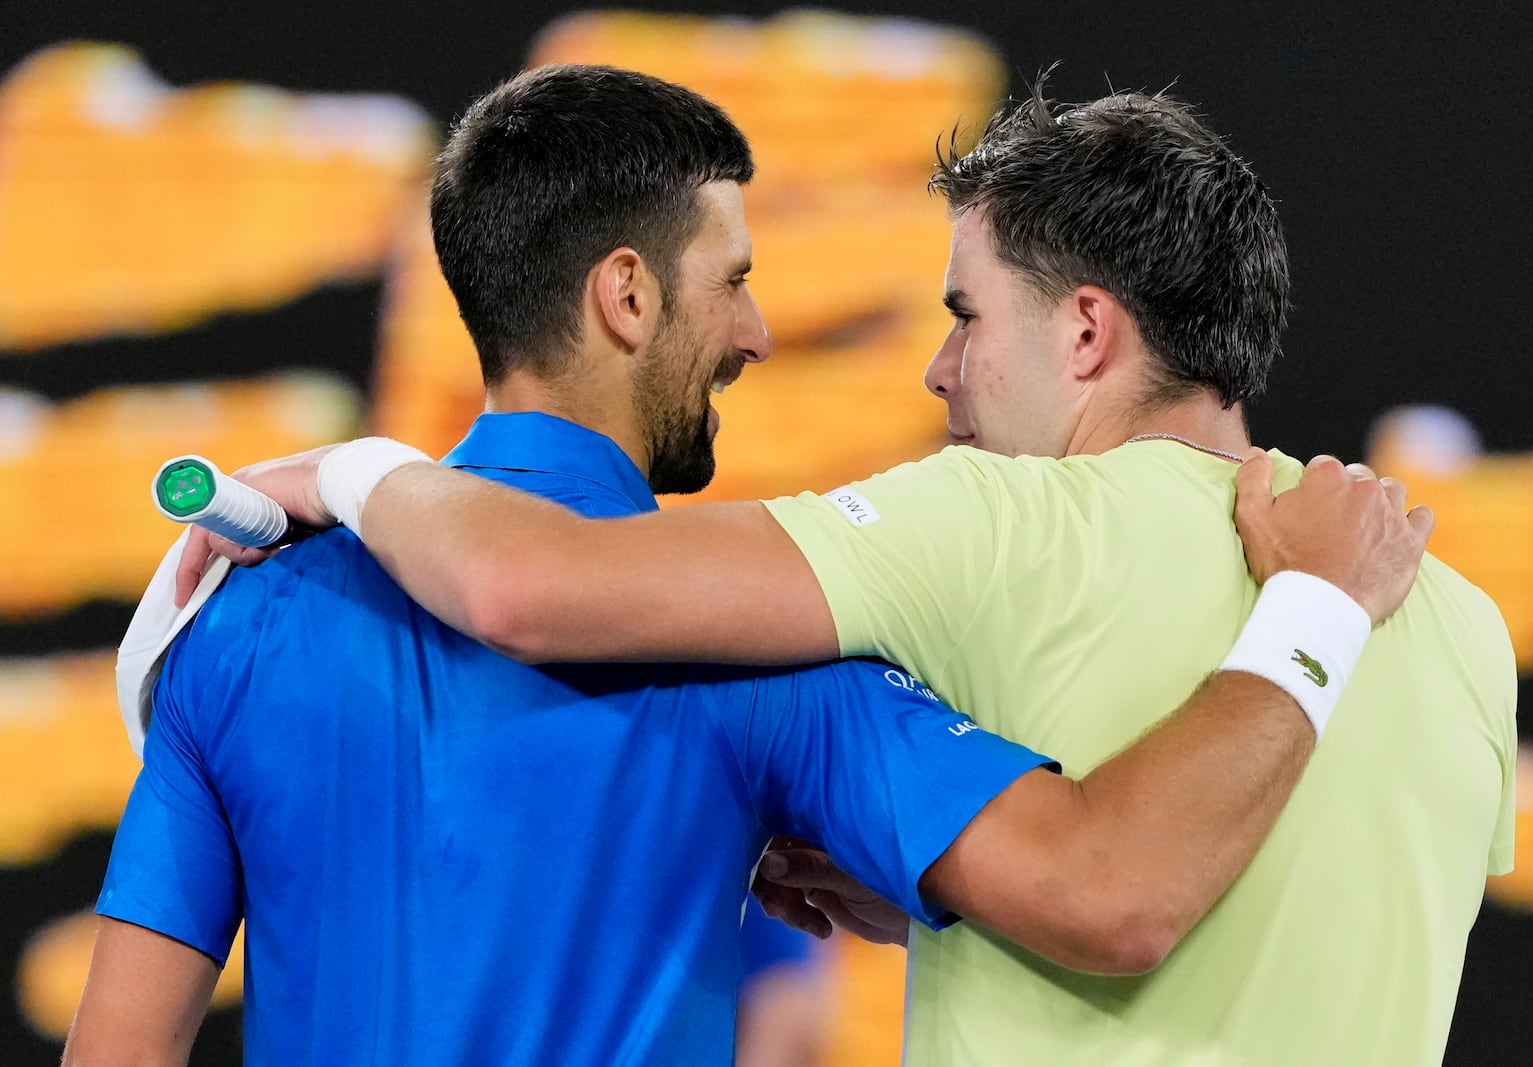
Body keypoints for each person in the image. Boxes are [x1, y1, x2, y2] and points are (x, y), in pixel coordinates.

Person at [68, 67, 1420, 1067]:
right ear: (626, 298)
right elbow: (1110, 890)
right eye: (734, 279)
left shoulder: (242, 625)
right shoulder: (767, 650)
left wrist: (914, 909)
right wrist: (1312, 611)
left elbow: (116, 1053)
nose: (761, 332)